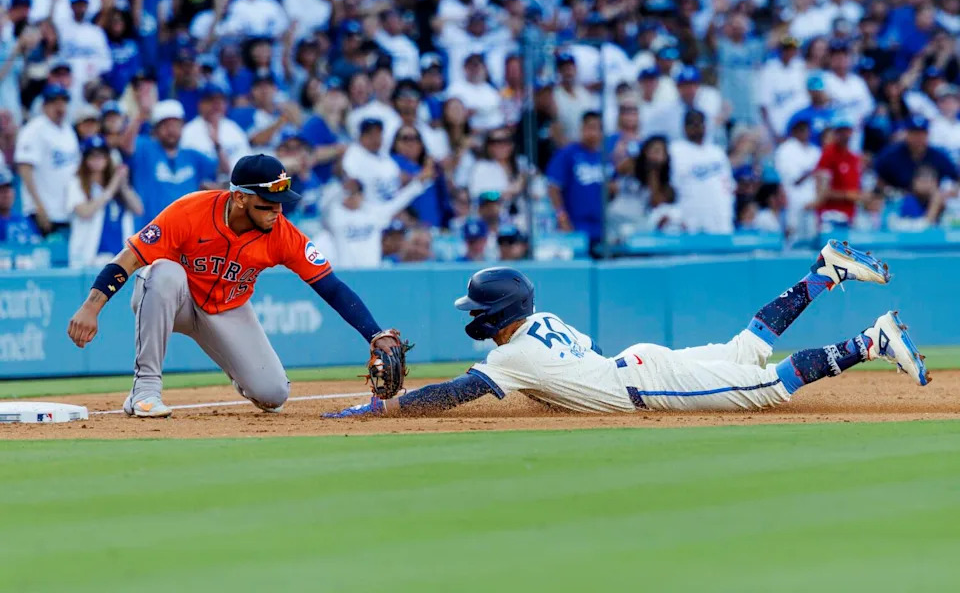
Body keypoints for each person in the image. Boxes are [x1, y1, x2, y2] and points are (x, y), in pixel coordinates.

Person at [324, 242, 928, 418]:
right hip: (639, 365)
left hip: (644, 384)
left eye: (475, 310)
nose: (470, 317)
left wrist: (385, 410)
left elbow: (455, 393)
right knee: (746, 348)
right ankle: (823, 273)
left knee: (766, 385)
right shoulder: (541, 323)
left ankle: (870, 342)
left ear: (494, 314)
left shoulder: (509, 361)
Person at [66, 154, 409, 417]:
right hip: (176, 300)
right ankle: (145, 390)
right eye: (268, 203)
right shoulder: (189, 211)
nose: (277, 211)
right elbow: (129, 258)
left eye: (281, 202)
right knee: (164, 271)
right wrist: (91, 307)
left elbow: (330, 287)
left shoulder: (282, 233)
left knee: (274, 395)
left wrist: (374, 333)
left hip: (227, 309)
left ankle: (241, 373)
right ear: (241, 197)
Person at [122, 99, 219, 222]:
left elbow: (220, 170)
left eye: (175, 125)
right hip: (150, 230)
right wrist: (139, 117)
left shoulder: (192, 156)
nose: (171, 130)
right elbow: (126, 146)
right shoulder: (145, 148)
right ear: (156, 129)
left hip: (187, 230)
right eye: (165, 125)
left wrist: (217, 145)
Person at [322, 165, 435, 269]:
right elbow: (324, 206)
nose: (352, 197)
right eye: (349, 192)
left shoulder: (373, 214)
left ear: (362, 195)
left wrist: (418, 183)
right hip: (346, 273)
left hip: (372, 273)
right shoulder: (334, 216)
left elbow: (398, 202)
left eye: (356, 192)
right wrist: (337, 183)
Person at [66, 136, 144, 268]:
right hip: (89, 258)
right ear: (85, 159)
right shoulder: (77, 184)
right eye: (92, 156)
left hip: (120, 259)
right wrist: (112, 187)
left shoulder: (118, 188)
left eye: (101, 155)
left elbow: (139, 209)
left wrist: (123, 186)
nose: (97, 160)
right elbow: (84, 212)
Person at [14, 84, 81, 236]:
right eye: (54, 102)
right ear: (44, 106)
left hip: (66, 211)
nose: (59, 107)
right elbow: (25, 169)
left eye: (63, 102)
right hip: (42, 212)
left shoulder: (68, 130)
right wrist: (39, 207)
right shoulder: (34, 129)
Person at [546, 111, 607, 252]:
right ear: (582, 129)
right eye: (590, 127)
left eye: (597, 128)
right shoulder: (568, 154)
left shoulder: (604, 157)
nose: (593, 132)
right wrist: (562, 218)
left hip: (600, 227)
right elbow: (553, 187)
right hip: (575, 224)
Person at [668, 109, 735, 234]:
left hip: (721, 220)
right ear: (684, 127)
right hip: (692, 222)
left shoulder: (717, 152)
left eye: (700, 123)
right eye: (692, 124)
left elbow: (728, 185)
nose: (697, 127)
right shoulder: (675, 150)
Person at [873, 115, 958, 193]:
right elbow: (879, 179)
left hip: (932, 201)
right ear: (907, 134)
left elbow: (955, 177)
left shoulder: (938, 156)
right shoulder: (891, 155)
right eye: (914, 133)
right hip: (898, 200)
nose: (918, 138)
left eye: (922, 134)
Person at [180, 82, 251, 174]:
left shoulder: (234, 129)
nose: (217, 105)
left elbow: (246, 164)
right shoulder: (188, 132)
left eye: (221, 101)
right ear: (200, 104)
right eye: (211, 100)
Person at [774, 118, 821, 239]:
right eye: (801, 130)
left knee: (814, 235)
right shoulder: (785, 149)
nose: (805, 133)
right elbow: (793, 179)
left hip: (813, 199)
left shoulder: (815, 150)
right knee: (793, 234)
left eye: (807, 130)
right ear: (794, 132)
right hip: (793, 199)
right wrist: (812, 171)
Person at [814, 114, 862, 226]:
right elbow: (821, 192)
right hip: (831, 217)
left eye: (847, 131)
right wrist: (847, 195)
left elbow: (855, 189)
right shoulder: (828, 155)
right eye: (841, 131)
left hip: (849, 216)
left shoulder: (853, 158)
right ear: (835, 133)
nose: (845, 135)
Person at [342, 118, 401, 203]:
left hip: (391, 204)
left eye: (378, 134)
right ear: (360, 137)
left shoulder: (384, 155)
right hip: (369, 210)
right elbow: (349, 184)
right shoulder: (353, 155)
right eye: (370, 134)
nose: (375, 138)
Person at [0, 163, 41, 244]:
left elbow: (39, 244)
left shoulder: (24, 219)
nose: (6, 194)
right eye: (1, 190)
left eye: (8, 189)